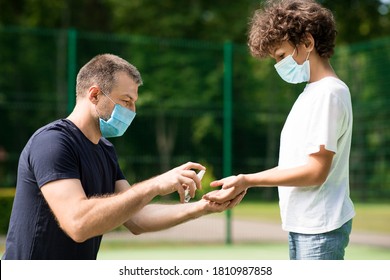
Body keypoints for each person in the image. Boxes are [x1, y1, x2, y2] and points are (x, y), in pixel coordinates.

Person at [2, 54, 244, 260]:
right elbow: (77, 223)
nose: (132, 111)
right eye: (125, 101)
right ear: (94, 95)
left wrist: (204, 207)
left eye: (134, 103)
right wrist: (156, 184)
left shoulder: (105, 149)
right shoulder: (53, 142)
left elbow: (136, 218)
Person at [204, 0, 355, 260]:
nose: (279, 66)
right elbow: (296, 164)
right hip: (304, 225)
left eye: (282, 56)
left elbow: (316, 172)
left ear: (307, 42)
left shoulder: (329, 94)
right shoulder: (311, 93)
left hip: (319, 229)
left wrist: (247, 180)